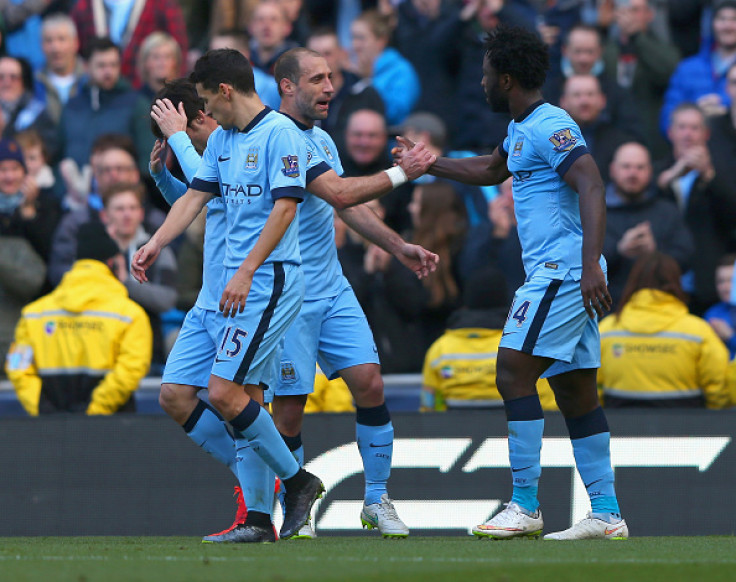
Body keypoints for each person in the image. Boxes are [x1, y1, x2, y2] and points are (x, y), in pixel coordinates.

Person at [398, 25, 627, 540]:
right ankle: (607, 514)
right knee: (574, 392)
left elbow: (590, 181)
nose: (480, 84)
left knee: (510, 370)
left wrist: (590, 264)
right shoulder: (522, 128)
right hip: (562, 271)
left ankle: (525, 504)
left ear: (504, 79)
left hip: (563, 272)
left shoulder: (552, 125)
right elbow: (491, 169)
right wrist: (432, 164)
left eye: (484, 75)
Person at [133, 48, 324, 544]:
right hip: (223, 294)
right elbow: (196, 195)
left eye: (205, 101)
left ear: (223, 91)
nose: (204, 113)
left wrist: (245, 270)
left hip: (268, 283)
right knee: (179, 392)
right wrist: (154, 243)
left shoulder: (280, 133)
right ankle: (262, 518)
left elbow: (285, 209)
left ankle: (298, 483)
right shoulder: (224, 142)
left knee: (226, 394)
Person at [270, 47, 440, 539]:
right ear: (287, 86)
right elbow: (344, 195)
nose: (329, 87)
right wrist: (404, 172)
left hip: (331, 286)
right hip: (287, 295)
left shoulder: (321, 138)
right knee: (289, 405)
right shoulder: (278, 138)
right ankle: (294, 513)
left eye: (332, 77)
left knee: (370, 383)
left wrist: (398, 245)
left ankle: (376, 500)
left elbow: (343, 205)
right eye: (318, 79)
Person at [5, 221, 152, 415]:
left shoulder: (34, 314)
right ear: (112, 263)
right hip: (112, 430)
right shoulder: (130, 316)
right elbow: (131, 370)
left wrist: (43, 409)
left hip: (49, 431)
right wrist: (95, 410)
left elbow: (17, 367)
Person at [599, 252, 731, 409]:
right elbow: (720, 394)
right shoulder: (698, 332)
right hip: (687, 430)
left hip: (617, 431)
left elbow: (588, 391)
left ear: (633, 282)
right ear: (676, 283)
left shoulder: (605, 331)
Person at [421, 265, 558, 412]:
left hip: (458, 431)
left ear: (466, 301)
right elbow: (548, 404)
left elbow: (429, 409)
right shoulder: (524, 344)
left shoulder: (440, 349)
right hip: (515, 431)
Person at [655, 103, 735, 315]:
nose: (688, 134)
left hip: (710, 283)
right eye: (682, 127)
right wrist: (669, 178)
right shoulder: (656, 171)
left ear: (706, 134)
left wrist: (709, 176)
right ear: (671, 132)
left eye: (694, 128)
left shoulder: (724, 173)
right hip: (664, 280)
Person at [603, 142, 693, 307]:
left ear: (650, 171)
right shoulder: (595, 212)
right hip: (607, 310)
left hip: (660, 307)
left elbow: (687, 259)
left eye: (640, 167)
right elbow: (580, 263)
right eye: (626, 166)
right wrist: (619, 250)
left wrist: (655, 253)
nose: (633, 173)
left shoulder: (667, 212)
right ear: (613, 170)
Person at [71, 0, 188, 88]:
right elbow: (76, 51)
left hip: (148, 94)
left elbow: (179, 52)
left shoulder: (161, 4)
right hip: (96, 93)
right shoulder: (84, 6)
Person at [660, 1, 736, 134]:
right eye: (722, 19)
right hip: (692, 146)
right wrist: (694, 112)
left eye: (734, 19)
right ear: (712, 24)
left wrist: (726, 109)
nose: (727, 26)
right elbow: (668, 117)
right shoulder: (687, 68)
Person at [350, 9, 420, 126]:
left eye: (361, 38)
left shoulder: (401, 71)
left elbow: (394, 113)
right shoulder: (352, 70)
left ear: (381, 40)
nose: (355, 45)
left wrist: (367, 80)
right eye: (353, 37)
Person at [35, 13, 86, 126]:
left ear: (76, 43)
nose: (55, 48)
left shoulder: (90, 79)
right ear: (41, 45)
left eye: (62, 39)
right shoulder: (32, 82)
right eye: (49, 41)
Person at [704, 254, 736, 359]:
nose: (725, 287)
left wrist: (730, 337)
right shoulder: (713, 313)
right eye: (720, 281)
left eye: (731, 280)